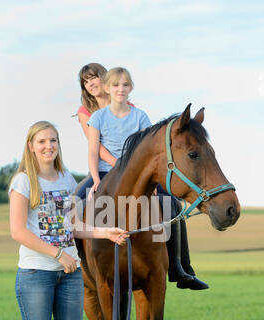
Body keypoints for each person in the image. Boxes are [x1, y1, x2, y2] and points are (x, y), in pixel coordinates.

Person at [9, 120, 128, 320]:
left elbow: (74, 227)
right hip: (36, 275)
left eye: (53, 140)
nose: (49, 146)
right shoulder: (23, 182)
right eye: (42, 141)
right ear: (31, 146)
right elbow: (18, 231)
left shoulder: (66, 179)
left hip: (70, 277)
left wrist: (106, 232)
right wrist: (58, 255)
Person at [76, 63, 208, 290]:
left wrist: (138, 171)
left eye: (96, 77)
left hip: (136, 171)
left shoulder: (132, 110)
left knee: (171, 203)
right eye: (87, 81)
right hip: (105, 170)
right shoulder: (88, 113)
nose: (92, 83)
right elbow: (94, 148)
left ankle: (180, 266)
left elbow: (145, 144)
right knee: (77, 199)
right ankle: (81, 264)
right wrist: (116, 166)